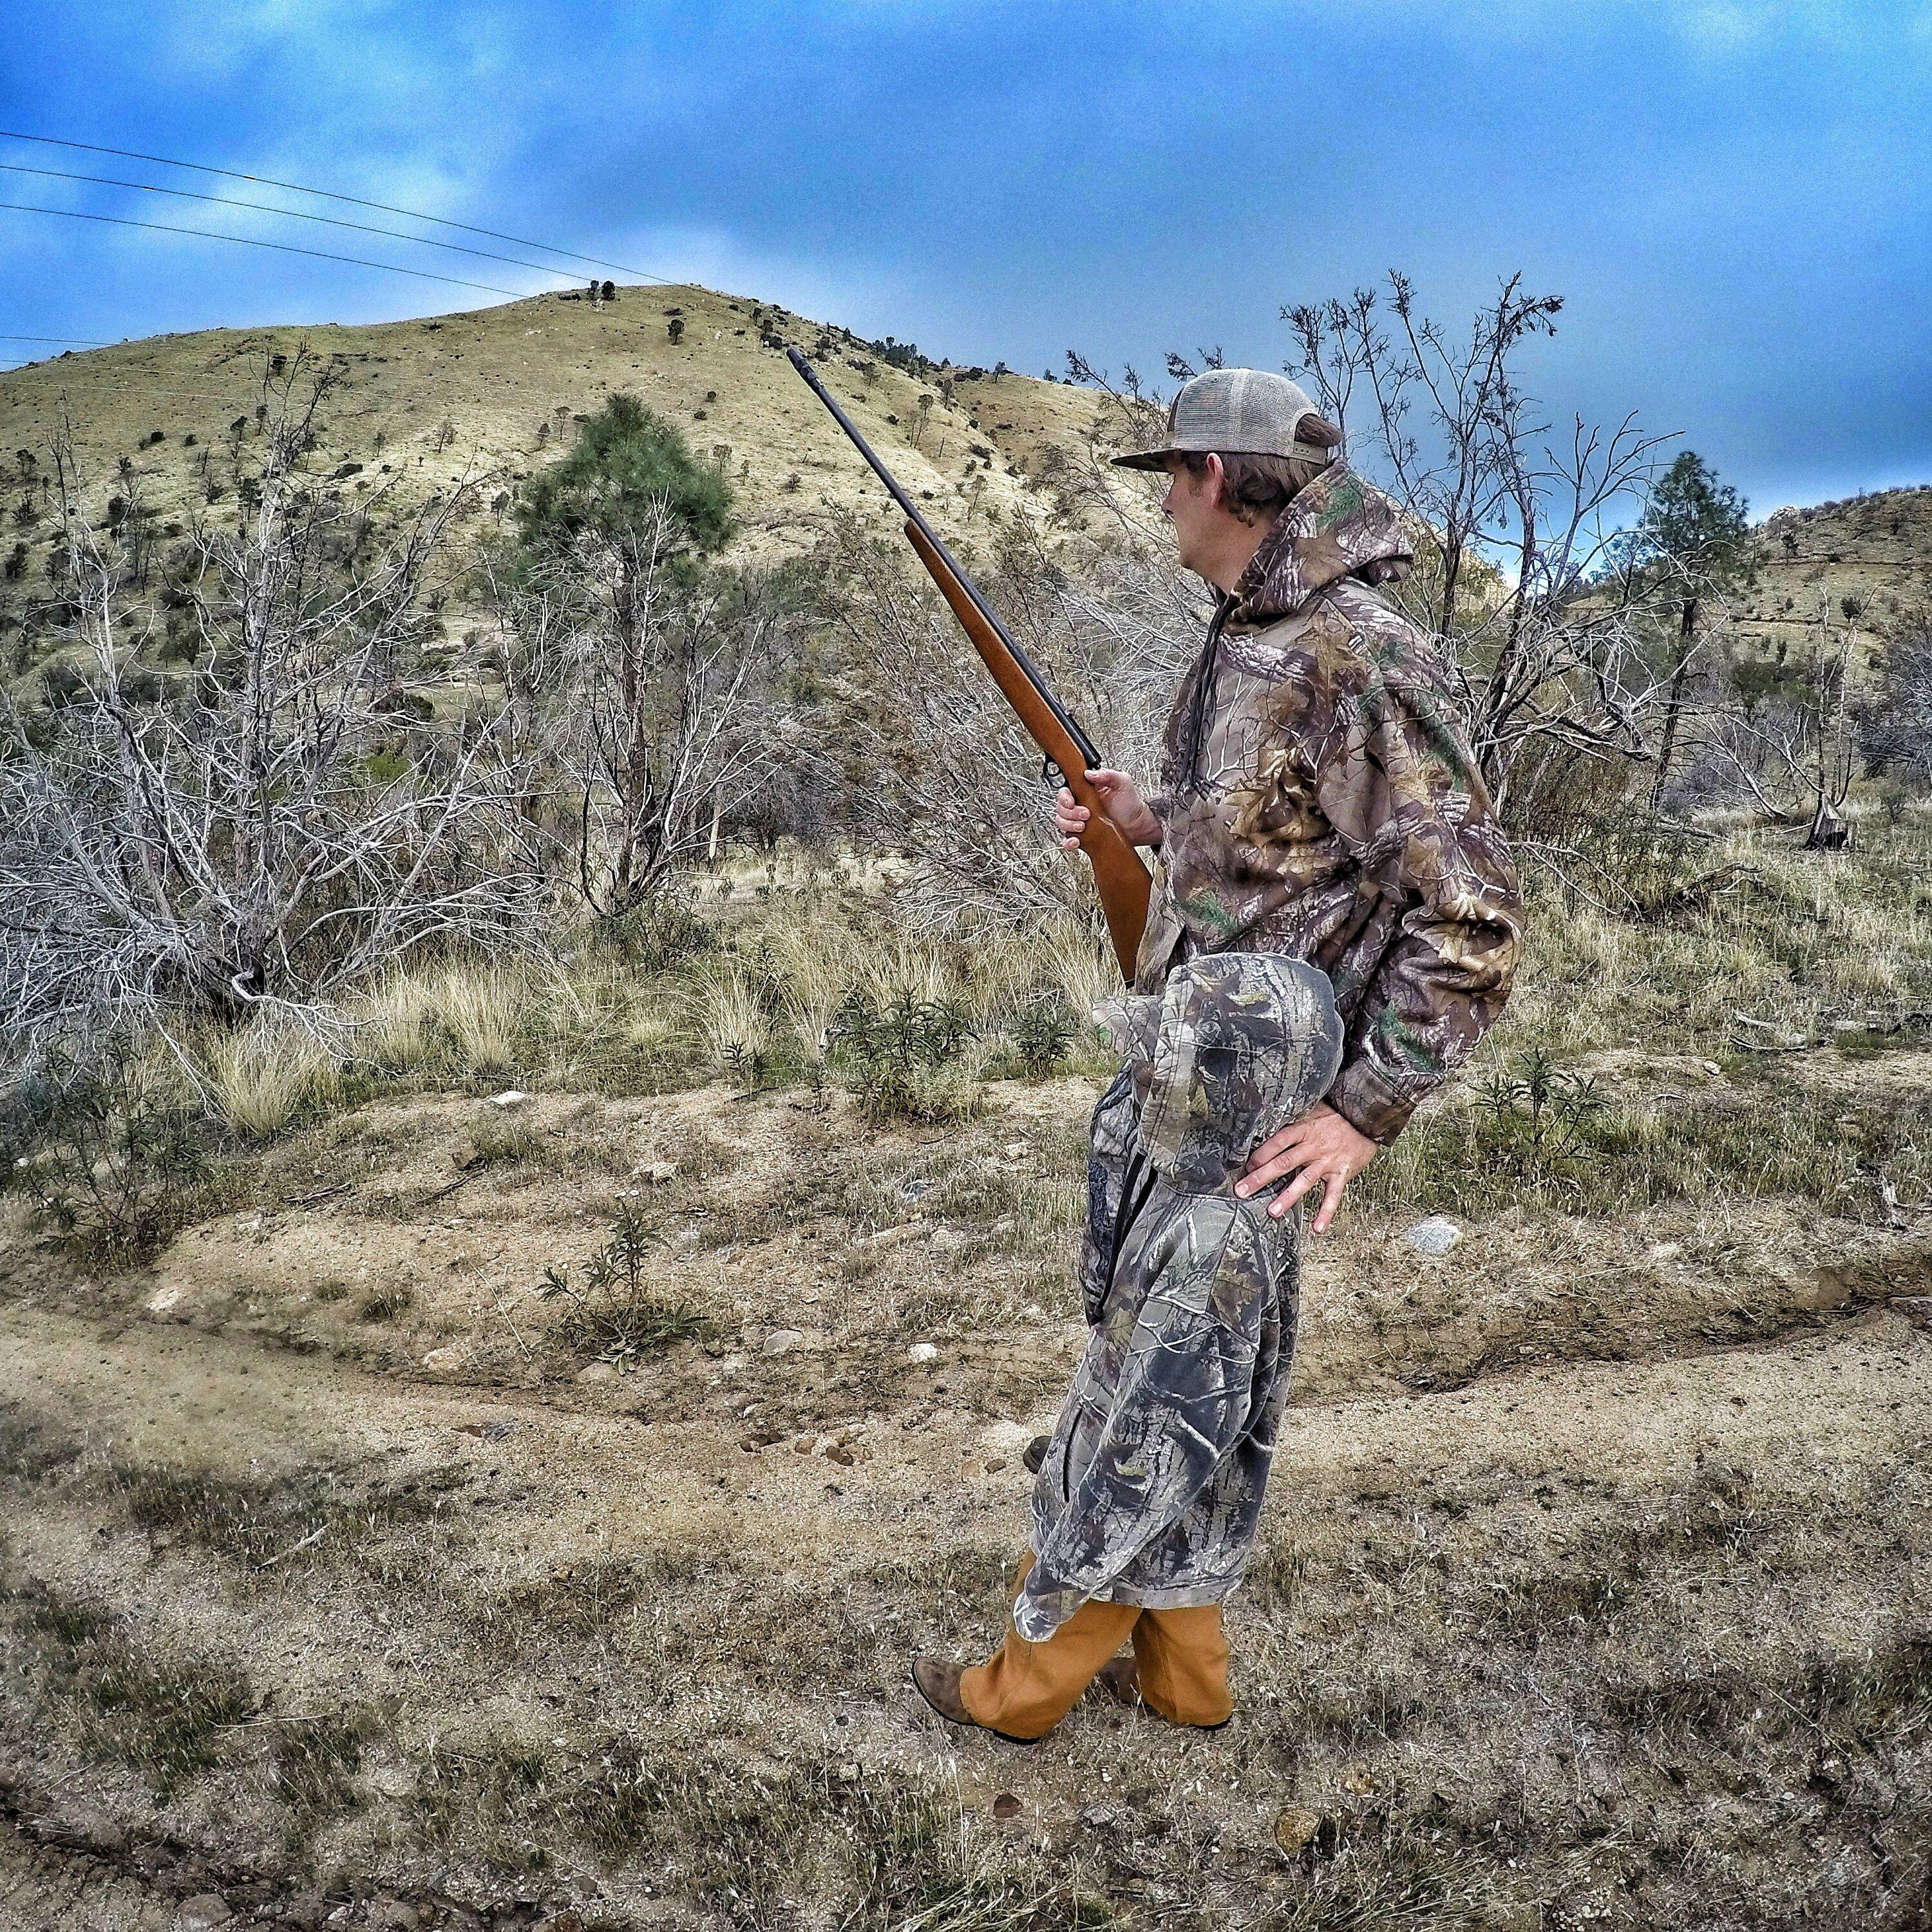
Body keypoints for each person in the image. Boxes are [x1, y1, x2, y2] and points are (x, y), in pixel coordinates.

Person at [912, 368, 1524, 1741]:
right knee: (1196, 1368)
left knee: (1152, 1379)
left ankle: (1026, 1690)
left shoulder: (1354, 655)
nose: (1164, 505)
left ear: (1213, 479)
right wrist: (1149, 817)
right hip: (1185, 1082)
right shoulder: (1247, 637)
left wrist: (1366, 1113)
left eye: (1169, 477)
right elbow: (1269, 851)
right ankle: (1189, 1683)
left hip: (1253, 1100)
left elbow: (1472, 912)